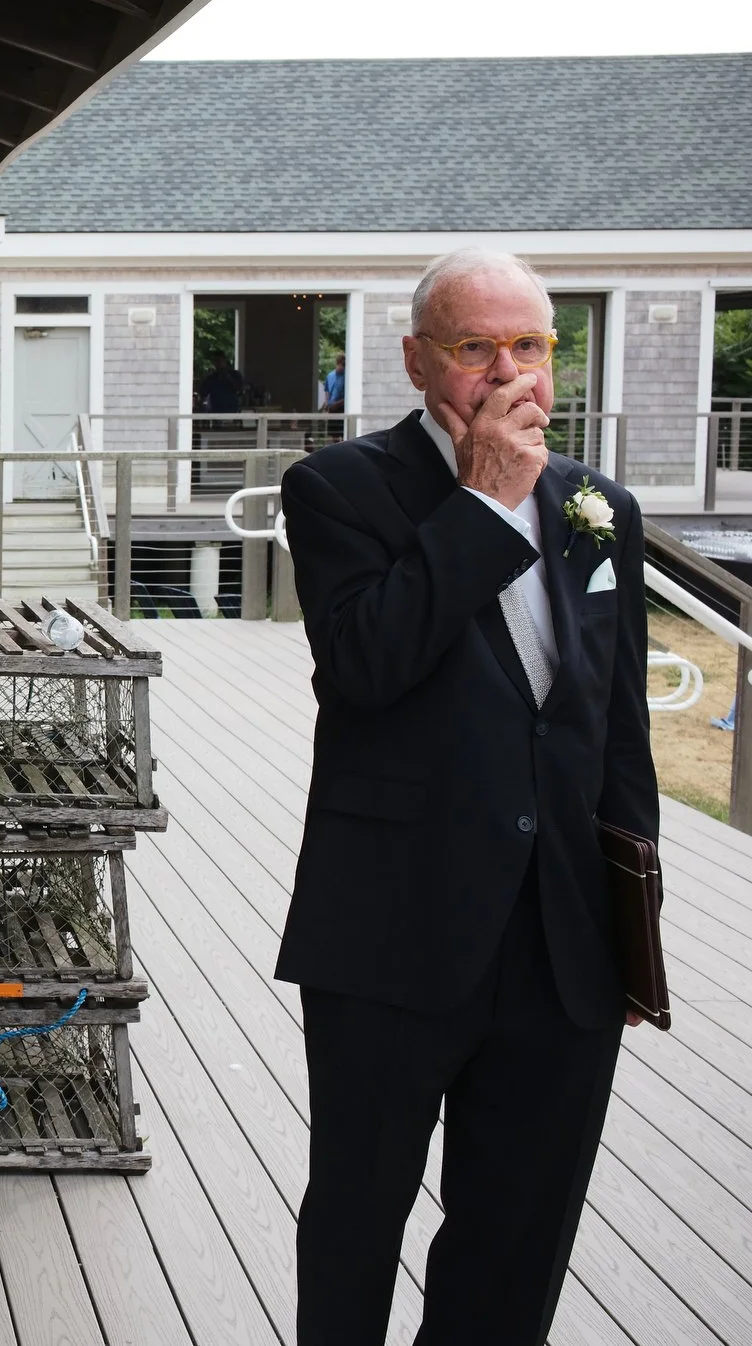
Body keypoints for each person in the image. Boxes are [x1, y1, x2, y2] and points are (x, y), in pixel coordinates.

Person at [277, 248, 656, 1345]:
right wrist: (486, 503)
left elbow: (615, 731)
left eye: (529, 344)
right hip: (394, 921)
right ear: (415, 359)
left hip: (563, 932)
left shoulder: (598, 506)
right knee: (358, 1209)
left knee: (520, 1224)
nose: (507, 371)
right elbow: (365, 664)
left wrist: (633, 930)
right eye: (473, 346)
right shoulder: (337, 488)